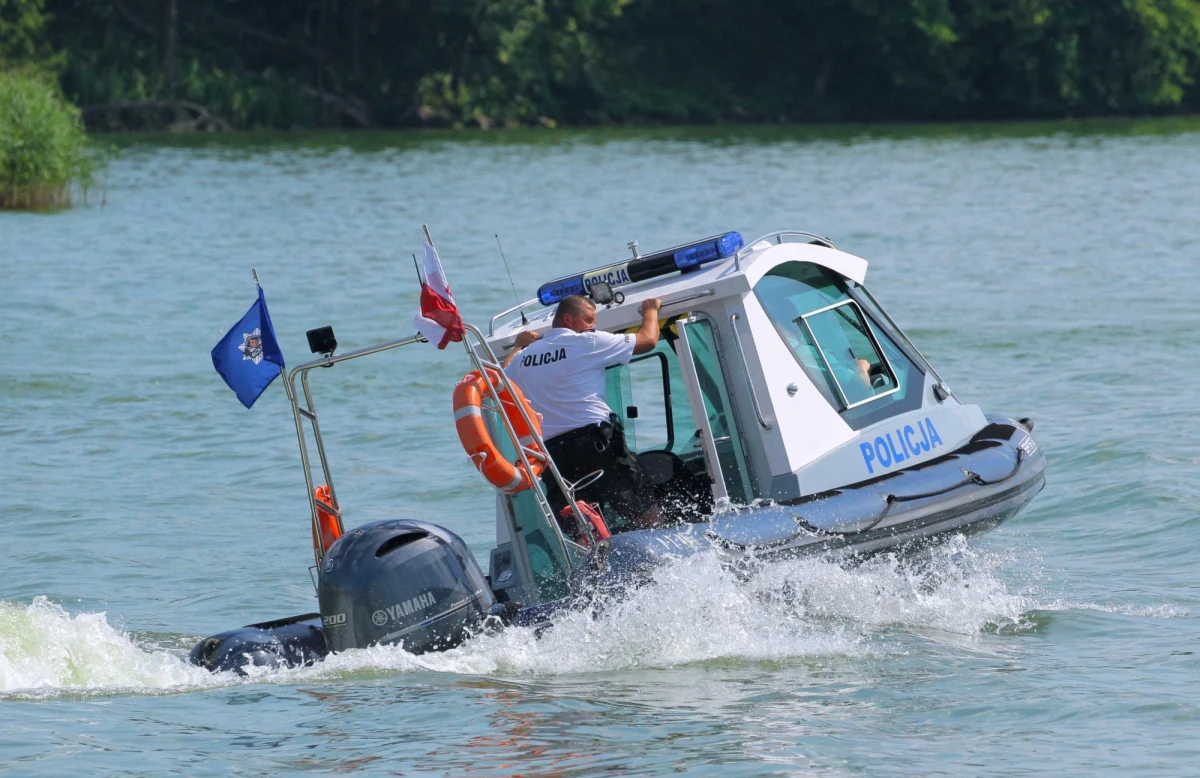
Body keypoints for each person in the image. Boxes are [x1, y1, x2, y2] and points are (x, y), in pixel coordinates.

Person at [502, 294, 663, 531]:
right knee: (646, 517)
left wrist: (519, 345)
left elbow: (501, 377)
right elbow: (648, 340)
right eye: (588, 320)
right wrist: (651, 310)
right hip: (598, 448)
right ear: (568, 319)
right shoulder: (587, 343)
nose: (593, 326)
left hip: (555, 457)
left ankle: (591, 565)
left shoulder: (525, 357)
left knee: (581, 531)